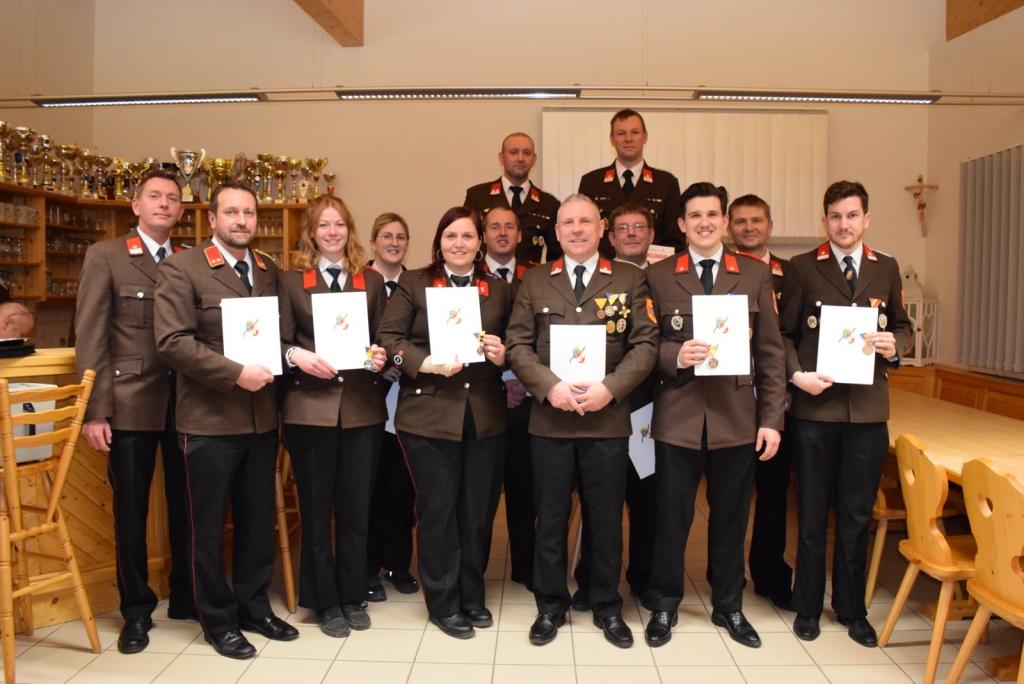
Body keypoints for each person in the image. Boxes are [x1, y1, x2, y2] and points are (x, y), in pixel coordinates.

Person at [506, 194, 657, 649]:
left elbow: (646, 345)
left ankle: (607, 605)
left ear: (600, 227)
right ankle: (550, 606)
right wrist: (547, 385)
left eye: (585, 221)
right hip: (549, 422)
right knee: (549, 519)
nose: (576, 229)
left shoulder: (629, 279)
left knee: (606, 519)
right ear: (556, 231)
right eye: (567, 222)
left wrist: (610, 388)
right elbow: (517, 345)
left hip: (606, 421)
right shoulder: (534, 281)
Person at [155, 180, 298, 659]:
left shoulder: (266, 269)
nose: (242, 221)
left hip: (260, 421)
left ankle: (254, 607)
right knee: (208, 527)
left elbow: (273, 339)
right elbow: (173, 342)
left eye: (249, 213)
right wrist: (236, 374)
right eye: (232, 213)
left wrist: (293, 356)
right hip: (209, 422)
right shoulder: (183, 268)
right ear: (212, 219)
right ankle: (217, 619)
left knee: (258, 522)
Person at [643, 182, 786, 649]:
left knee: (730, 517)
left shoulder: (752, 275)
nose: (705, 222)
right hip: (679, 415)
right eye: (695, 216)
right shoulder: (660, 275)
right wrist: (675, 355)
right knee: (672, 516)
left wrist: (771, 419)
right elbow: (647, 344)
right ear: (681, 224)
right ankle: (664, 601)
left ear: (724, 222)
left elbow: (770, 353)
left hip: (736, 418)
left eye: (712, 215)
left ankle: (729, 604)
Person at [781, 180, 912, 648]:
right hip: (817, 409)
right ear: (825, 220)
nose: (844, 224)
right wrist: (797, 377)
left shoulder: (887, 268)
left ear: (866, 219)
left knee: (857, 515)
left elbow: (902, 325)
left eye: (852, 215)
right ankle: (808, 606)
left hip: (868, 412)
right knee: (813, 513)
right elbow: (783, 335)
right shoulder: (801, 269)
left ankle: (853, 610)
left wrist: (897, 345)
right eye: (835, 216)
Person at [377, 206, 513, 639]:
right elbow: (389, 339)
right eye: (451, 236)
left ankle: (471, 594)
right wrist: (424, 362)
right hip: (428, 417)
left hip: (485, 417)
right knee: (438, 511)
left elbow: (520, 341)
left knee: (477, 512)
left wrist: (503, 352)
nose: (460, 244)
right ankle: (443, 600)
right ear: (439, 242)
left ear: (481, 243)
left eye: (468, 237)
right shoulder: (415, 283)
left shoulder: (498, 289)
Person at [74, 168, 193, 655]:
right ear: (136, 206)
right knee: (130, 512)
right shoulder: (106, 256)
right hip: (127, 406)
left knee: (188, 506)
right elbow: (91, 336)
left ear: (182, 210)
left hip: (187, 404)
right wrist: (93, 411)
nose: (164, 204)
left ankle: (187, 594)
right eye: (155, 197)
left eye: (173, 198)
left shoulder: (191, 259)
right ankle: (137, 610)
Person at [278, 195, 389, 637]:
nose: (332, 232)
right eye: (323, 225)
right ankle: (324, 601)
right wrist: (298, 356)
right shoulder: (290, 281)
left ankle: (352, 594)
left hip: (362, 410)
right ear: (311, 231)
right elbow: (279, 342)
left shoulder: (372, 280)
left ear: (350, 229)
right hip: (310, 412)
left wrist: (383, 356)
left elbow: (386, 339)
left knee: (356, 507)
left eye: (339, 224)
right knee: (317, 508)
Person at [572, 202, 659, 612]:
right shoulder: (597, 275)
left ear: (652, 233)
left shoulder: (658, 275)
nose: (631, 234)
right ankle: (591, 580)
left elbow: (649, 343)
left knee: (643, 501)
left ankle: (641, 578)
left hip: (642, 408)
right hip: (593, 406)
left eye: (638, 227)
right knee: (599, 501)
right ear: (611, 234)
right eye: (623, 228)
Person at [726, 193, 794, 611]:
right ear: (729, 228)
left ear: (770, 225)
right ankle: (726, 576)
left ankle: (770, 574)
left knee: (773, 496)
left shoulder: (792, 274)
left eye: (757, 221)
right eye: (740, 221)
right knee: (729, 497)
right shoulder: (721, 274)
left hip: (776, 401)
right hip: (730, 401)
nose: (748, 228)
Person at [365, 212, 420, 601]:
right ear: (373, 242)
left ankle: (398, 564)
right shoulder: (358, 283)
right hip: (365, 401)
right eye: (386, 235)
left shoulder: (418, 285)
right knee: (369, 490)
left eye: (401, 236)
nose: (394, 242)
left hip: (406, 400)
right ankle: (367, 567)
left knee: (403, 490)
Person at [480, 207, 534, 588]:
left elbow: (540, 336)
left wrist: (520, 378)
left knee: (525, 489)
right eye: (494, 227)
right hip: (482, 397)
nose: (502, 233)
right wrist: (503, 377)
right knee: (480, 495)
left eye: (509, 227)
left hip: (526, 401)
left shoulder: (536, 277)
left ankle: (526, 568)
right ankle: (474, 572)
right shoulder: (465, 274)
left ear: (520, 235)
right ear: (483, 234)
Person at [578, 109, 683, 256]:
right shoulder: (591, 182)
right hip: (603, 273)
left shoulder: (666, 183)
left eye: (635, 132)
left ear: (645, 137)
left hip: (651, 274)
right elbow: (583, 236)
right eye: (621, 133)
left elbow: (675, 242)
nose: (628, 139)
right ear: (612, 139)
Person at [464, 132, 560, 264]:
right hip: (485, 280)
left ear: (534, 159)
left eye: (527, 153)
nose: (520, 158)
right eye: (513, 152)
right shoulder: (478, 196)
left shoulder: (549, 204)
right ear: (501, 158)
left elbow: (556, 257)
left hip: (529, 282)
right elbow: (466, 241)